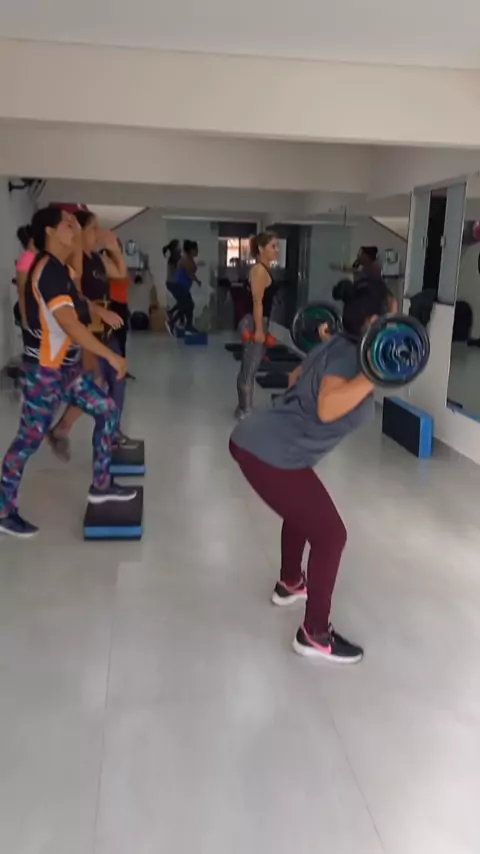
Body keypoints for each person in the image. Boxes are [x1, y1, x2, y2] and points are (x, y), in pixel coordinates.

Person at [229, 280, 395, 663]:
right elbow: (327, 407)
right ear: (373, 321)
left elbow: (294, 378)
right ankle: (314, 634)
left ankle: (290, 582)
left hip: (260, 440)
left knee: (304, 512)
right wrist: (373, 372)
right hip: (272, 452)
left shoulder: (336, 345)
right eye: (391, 316)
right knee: (332, 536)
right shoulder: (354, 359)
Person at [0, 207, 137, 538]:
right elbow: (70, 324)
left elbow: (78, 303)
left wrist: (99, 309)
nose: (73, 230)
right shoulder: (47, 271)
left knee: (106, 409)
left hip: (66, 368)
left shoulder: (61, 268)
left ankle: (101, 485)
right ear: (50, 231)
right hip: (44, 372)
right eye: (67, 225)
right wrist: (111, 356)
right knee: (28, 440)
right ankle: (3, 510)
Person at [47, 210, 137, 460]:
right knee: (94, 383)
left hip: (105, 331)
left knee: (117, 379)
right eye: (93, 228)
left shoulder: (97, 258)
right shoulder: (75, 259)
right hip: (87, 331)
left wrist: (115, 250)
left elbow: (121, 274)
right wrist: (98, 310)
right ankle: (65, 428)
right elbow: (75, 295)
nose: (97, 233)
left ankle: (111, 431)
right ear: (80, 231)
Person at [235, 231, 278, 419]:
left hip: (257, 320)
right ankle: (245, 411)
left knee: (251, 365)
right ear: (261, 248)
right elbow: (257, 302)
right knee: (249, 367)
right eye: (273, 246)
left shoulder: (263, 269)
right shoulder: (259, 270)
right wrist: (259, 330)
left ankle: (243, 407)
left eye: (277, 246)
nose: (276, 250)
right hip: (252, 321)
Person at [167, 240, 202, 334]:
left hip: (183, 287)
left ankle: (186, 324)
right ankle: (174, 322)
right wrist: (197, 281)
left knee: (188, 305)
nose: (197, 251)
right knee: (186, 305)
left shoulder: (188, 259)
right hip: (179, 287)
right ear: (191, 250)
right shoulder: (186, 259)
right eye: (196, 250)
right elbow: (189, 273)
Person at [14, 225, 37, 328]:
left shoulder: (38, 256)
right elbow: (22, 291)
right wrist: (24, 317)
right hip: (31, 310)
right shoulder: (27, 259)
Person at [163, 239, 182, 335]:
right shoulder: (175, 257)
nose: (180, 247)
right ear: (175, 248)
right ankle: (172, 321)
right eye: (179, 246)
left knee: (184, 303)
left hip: (172, 283)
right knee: (185, 304)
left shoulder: (175, 257)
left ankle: (172, 315)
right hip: (173, 284)